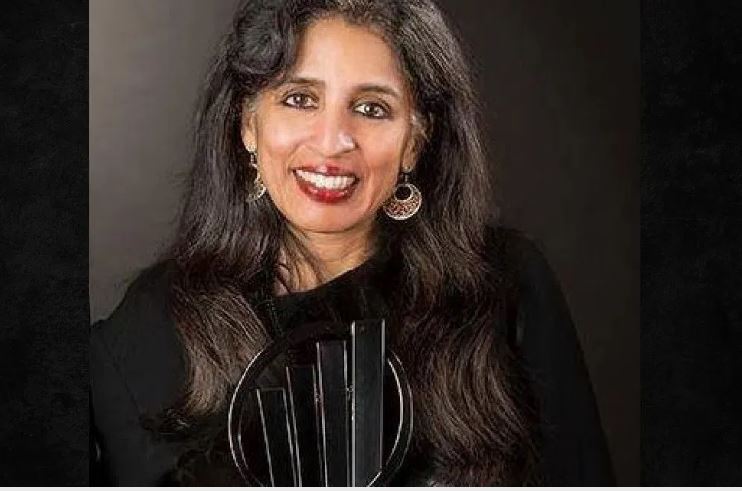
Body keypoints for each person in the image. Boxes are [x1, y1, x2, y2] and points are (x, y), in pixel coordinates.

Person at [90, 0, 614, 485]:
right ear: (249, 123)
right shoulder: (148, 331)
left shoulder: (505, 288)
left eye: (372, 108)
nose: (332, 141)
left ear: (416, 141)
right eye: (299, 99)